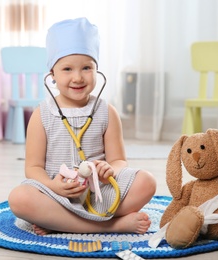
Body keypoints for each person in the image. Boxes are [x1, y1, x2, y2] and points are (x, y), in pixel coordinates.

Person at [8, 17, 156, 235]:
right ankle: (112, 225)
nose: (77, 77)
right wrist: (54, 187)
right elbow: (33, 168)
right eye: (67, 69)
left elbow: (118, 160)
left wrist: (110, 171)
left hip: (99, 193)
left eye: (86, 68)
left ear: (97, 70)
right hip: (56, 195)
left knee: (147, 182)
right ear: (53, 75)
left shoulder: (107, 112)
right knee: (19, 198)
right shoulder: (41, 115)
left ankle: (60, 224)